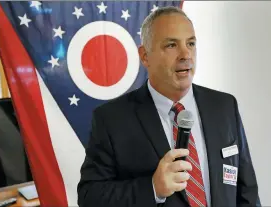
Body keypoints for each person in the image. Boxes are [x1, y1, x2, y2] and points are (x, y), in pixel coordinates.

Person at [77, 6, 260, 207]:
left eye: (191, 43)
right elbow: (89, 196)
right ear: (145, 55)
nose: (185, 54)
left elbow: (246, 191)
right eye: (172, 45)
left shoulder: (224, 106)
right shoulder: (111, 119)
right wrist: (153, 188)